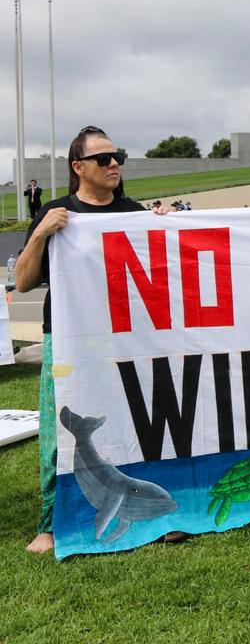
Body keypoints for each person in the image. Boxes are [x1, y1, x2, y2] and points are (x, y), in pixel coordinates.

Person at [15, 125, 171, 554]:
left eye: (117, 155)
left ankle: (155, 510)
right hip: (68, 340)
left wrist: (164, 226)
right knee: (56, 433)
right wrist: (43, 232)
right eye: (103, 158)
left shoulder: (133, 212)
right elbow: (23, 282)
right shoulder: (56, 212)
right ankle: (51, 522)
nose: (114, 163)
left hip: (126, 340)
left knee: (138, 422)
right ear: (78, 167)